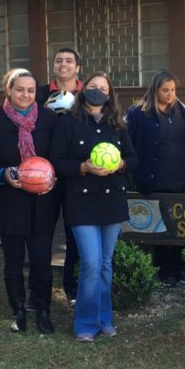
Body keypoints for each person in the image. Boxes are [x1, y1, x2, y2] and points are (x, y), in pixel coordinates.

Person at [53, 72, 137, 342]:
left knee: (104, 263)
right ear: (83, 89)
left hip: (112, 201)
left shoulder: (118, 125)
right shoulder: (69, 122)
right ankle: (85, 324)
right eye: (93, 87)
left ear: (110, 94)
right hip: (82, 202)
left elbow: (133, 158)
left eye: (103, 88)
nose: (97, 91)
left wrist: (121, 164)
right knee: (90, 263)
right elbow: (57, 161)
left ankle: (104, 319)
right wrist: (83, 167)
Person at [0, 68, 59, 334]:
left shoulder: (49, 119)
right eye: (19, 89)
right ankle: (18, 310)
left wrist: (51, 177)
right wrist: (3, 174)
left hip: (42, 201)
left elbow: (58, 156)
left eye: (30, 90)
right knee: (13, 260)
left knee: (41, 260)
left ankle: (42, 309)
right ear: (9, 90)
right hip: (9, 200)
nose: (25, 94)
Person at [126, 70, 185, 284]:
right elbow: (129, 144)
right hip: (155, 180)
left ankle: (181, 270)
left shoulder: (181, 111)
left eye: (173, 90)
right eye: (165, 90)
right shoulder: (138, 113)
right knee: (160, 229)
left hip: (182, 179)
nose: (170, 94)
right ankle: (165, 273)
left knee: (180, 226)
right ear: (155, 90)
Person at [35, 46, 82, 305]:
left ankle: (72, 288)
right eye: (58, 60)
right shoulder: (40, 93)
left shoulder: (88, 94)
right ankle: (40, 289)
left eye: (69, 61)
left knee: (75, 234)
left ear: (77, 68)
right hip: (45, 173)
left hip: (78, 174)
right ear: (54, 66)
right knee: (43, 232)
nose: (63, 64)